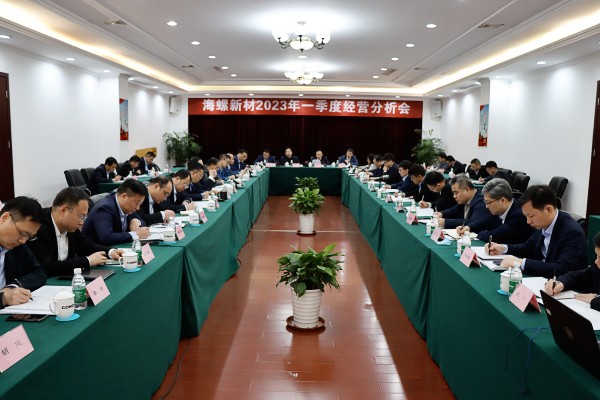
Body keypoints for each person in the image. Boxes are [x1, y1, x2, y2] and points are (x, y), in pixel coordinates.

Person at [487, 185, 587, 278]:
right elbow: (528, 247)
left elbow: (562, 268)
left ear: (548, 210)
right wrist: (504, 248)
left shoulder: (572, 232)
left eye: (531, 216)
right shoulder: (544, 223)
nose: (528, 221)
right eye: (526, 216)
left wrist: (520, 263)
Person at [27, 187, 124, 278]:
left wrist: (110, 252)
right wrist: (87, 261)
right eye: (81, 217)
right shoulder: (38, 227)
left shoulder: (70, 227)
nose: (82, 222)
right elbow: (47, 267)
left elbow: (85, 245)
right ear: (63, 210)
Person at [0, 197, 46, 309]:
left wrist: (12, 287)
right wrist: (4, 298)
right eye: (22, 233)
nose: (23, 241)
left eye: (29, 236)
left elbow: (39, 272)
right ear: (5, 218)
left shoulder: (16, 244)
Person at [460, 178, 534, 243]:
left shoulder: (519, 215)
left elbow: (492, 236)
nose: (486, 206)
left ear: (502, 200)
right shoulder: (500, 209)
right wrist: (469, 227)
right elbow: (485, 221)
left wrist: (477, 234)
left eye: (488, 202)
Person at [82, 179, 150, 246]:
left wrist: (137, 221)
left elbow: (142, 223)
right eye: (137, 203)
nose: (138, 208)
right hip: (96, 251)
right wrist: (135, 234)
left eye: (140, 204)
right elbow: (106, 238)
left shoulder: (127, 207)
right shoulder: (105, 208)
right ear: (124, 196)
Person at [544, 233, 600, 311]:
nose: (596, 261)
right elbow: (579, 276)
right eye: (597, 256)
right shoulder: (597, 267)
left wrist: (596, 300)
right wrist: (560, 283)